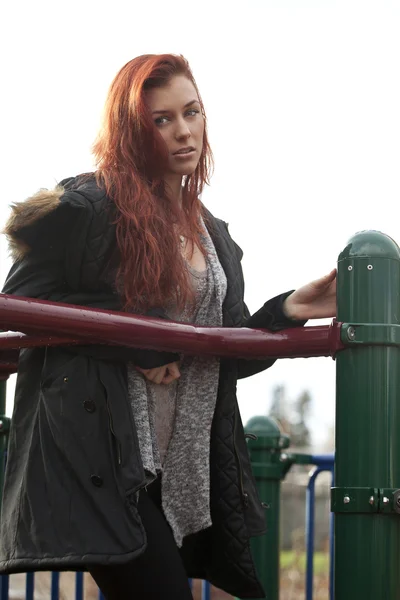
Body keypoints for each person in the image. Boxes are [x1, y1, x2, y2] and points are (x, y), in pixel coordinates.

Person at [0, 54, 336, 599]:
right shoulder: (87, 207)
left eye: (192, 112)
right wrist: (141, 339)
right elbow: (20, 301)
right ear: (133, 130)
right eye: (161, 119)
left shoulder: (213, 235)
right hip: (102, 460)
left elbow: (223, 351)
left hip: (178, 467)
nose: (183, 131)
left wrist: (291, 308)